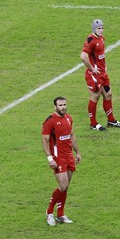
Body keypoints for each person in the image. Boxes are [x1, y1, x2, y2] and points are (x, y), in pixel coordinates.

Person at [42, 97, 82, 226]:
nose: (63, 107)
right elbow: (45, 141)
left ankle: (60, 214)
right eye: (60, 105)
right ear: (55, 106)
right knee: (63, 186)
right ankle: (49, 212)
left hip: (69, 156)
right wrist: (50, 158)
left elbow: (71, 136)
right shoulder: (50, 121)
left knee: (65, 187)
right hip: (58, 157)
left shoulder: (69, 118)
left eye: (64, 105)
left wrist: (78, 152)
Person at [81, 18, 120, 131]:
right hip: (94, 75)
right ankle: (93, 124)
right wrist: (92, 68)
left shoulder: (100, 38)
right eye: (99, 28)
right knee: (95, 96)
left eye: (102, 28)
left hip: (103, 74)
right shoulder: (90, 40)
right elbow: (83, 56)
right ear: (94, 29)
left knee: (108, 94)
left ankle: (111, 120)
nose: (101, 30)